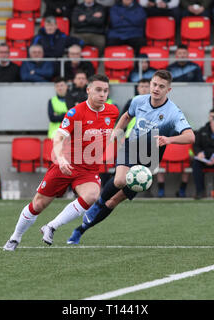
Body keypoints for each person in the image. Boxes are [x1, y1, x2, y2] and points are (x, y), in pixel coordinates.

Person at [67, 70, 195, 244]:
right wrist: (117, 135)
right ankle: (97, 204)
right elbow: (127, 116)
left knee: (114, 202)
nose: (156, 89)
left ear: (168, 90)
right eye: (154, 84)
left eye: (161, 86)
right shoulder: (138, 100)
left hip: (149, 161)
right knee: (119, 181)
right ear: (150, 84)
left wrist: (169, 139)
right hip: (131, 147)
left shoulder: (173, 112)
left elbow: (190, 136)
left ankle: (80, 231)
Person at [3, 74, 120, 250]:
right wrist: (62, 158)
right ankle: (15, 237)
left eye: (105, 90)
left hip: (88, 168)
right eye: (98, 90)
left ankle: (51, 226)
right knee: (39, 204)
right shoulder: (75, 112)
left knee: (92, 195)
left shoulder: (112, 111)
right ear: (88, 90)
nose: (102, 94)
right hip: (65, 164)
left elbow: (122, 121)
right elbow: (57, 138)